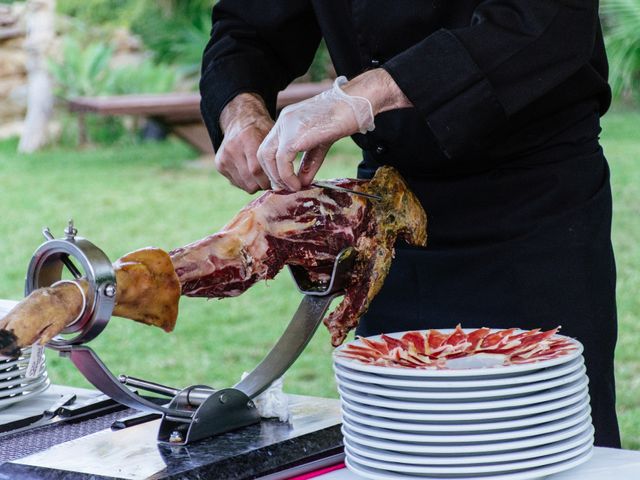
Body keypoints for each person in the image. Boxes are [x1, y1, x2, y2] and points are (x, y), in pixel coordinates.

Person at [199, 1, 620, 448]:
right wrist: (239, 108)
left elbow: (546, 22)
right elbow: (250, 25)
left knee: (546, 442)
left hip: (533, 207)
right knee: (405, 439)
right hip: (392, 217)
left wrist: (370, 93)